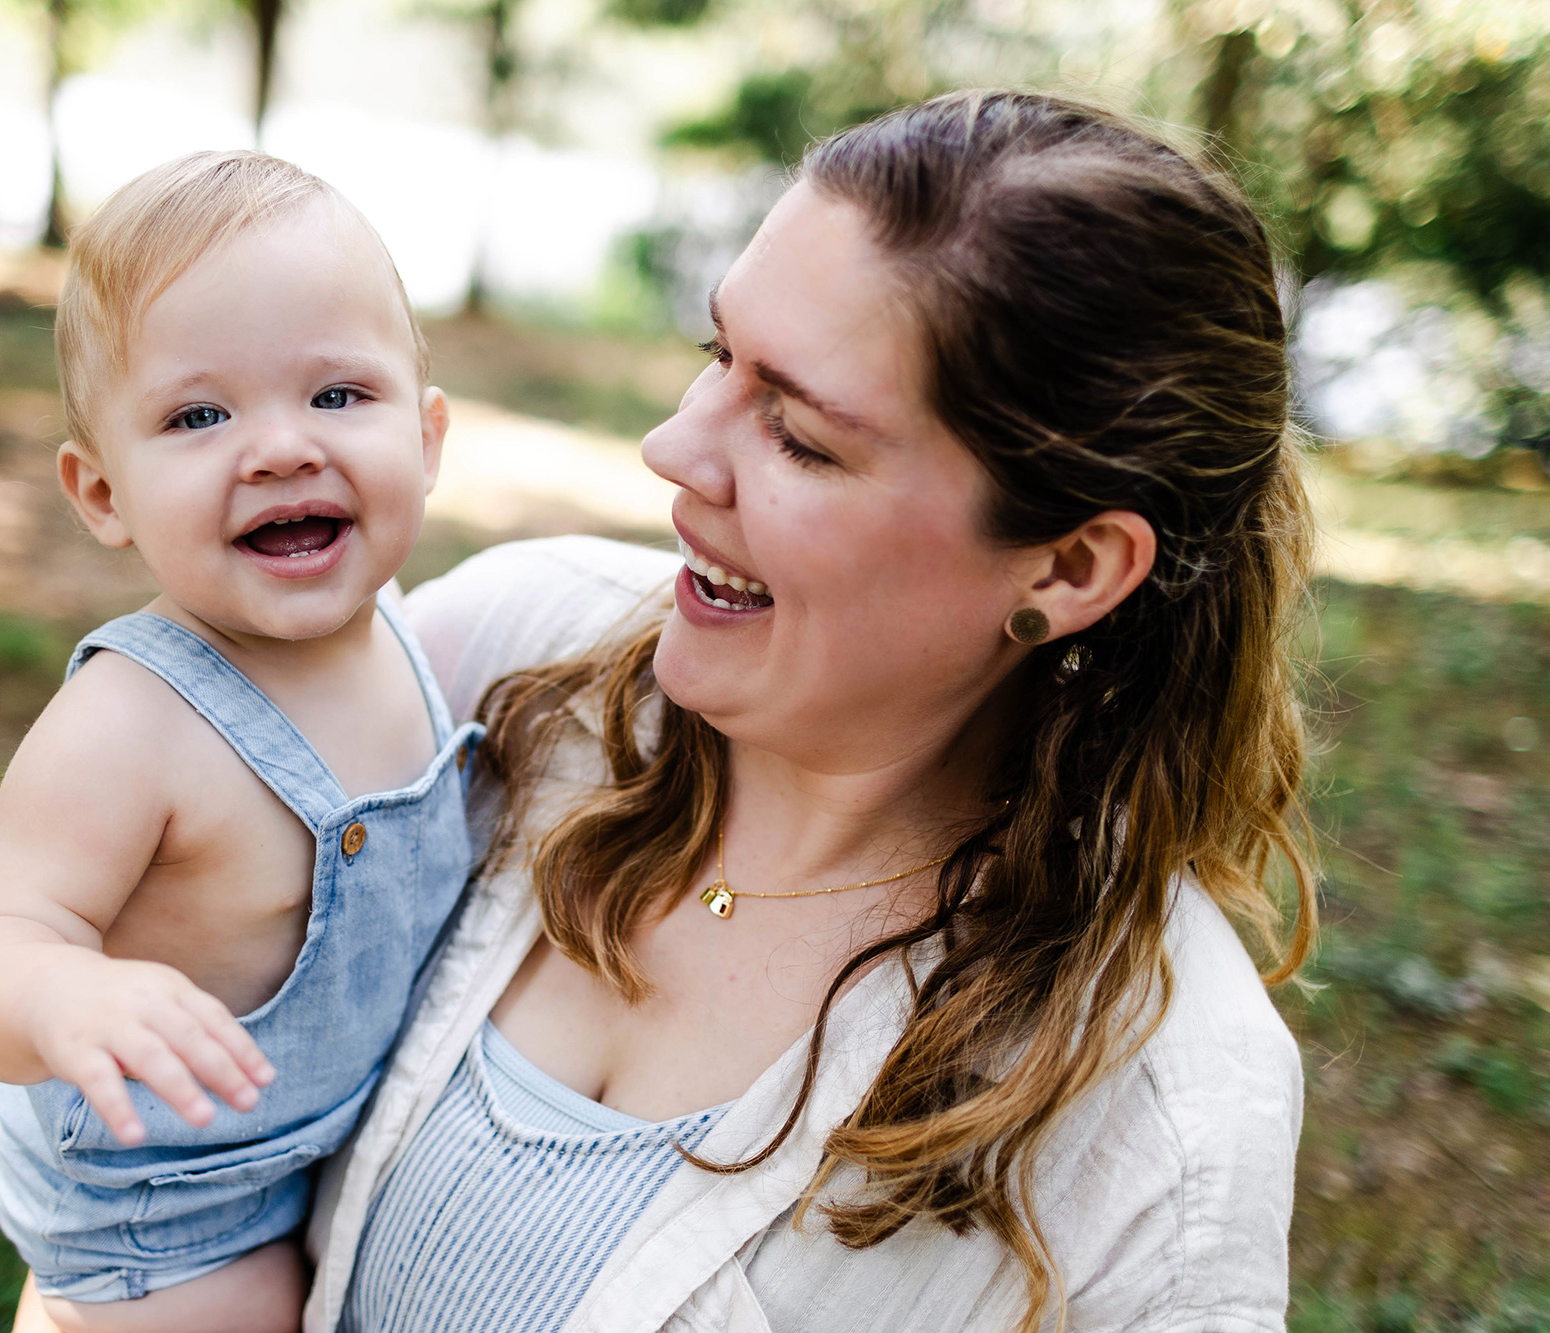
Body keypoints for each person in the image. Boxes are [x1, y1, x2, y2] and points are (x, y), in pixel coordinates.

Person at [305, 91, 1317, 1333]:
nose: (674, 447)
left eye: (795, 434)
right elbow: (119, 1166)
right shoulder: (497, 662)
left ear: (1064, 568)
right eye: (712, 357)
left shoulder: (1162, 1111)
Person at [0, 151, 478, 1333]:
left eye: (338, 396)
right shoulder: (133, 721)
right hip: (166, 1214)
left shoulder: (400, 633)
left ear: (427, 438)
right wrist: (63, 991)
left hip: (301, 1135)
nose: (281, 448)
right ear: (102, 495)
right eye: (198, 414)